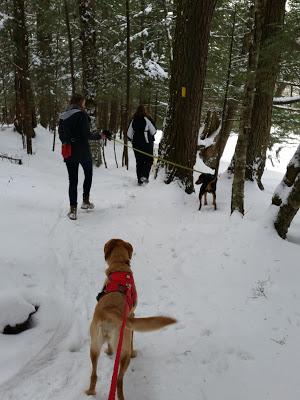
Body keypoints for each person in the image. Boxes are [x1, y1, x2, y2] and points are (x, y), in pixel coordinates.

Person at [58, 93, 109, 220]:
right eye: (84, 102)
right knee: (88, 174)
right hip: (82, 151)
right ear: (80, 102)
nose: (85, 104)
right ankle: (85, 202)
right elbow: (87, 134)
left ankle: (73, 209)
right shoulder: (81, 115)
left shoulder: (63, 116)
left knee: (73, 180)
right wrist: (100, 136)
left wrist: (68, 141)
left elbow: (61, 135)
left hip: (69, 151)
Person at [127, 105, 156, 185]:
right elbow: (153, 131)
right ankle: (144, 176)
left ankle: (140, 179)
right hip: (147, 144)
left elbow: (129, 134)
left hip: (136, 144)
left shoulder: (133, 119)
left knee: (139, 161)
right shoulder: (147, 118)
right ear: (145, 110)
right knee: (149, 160)